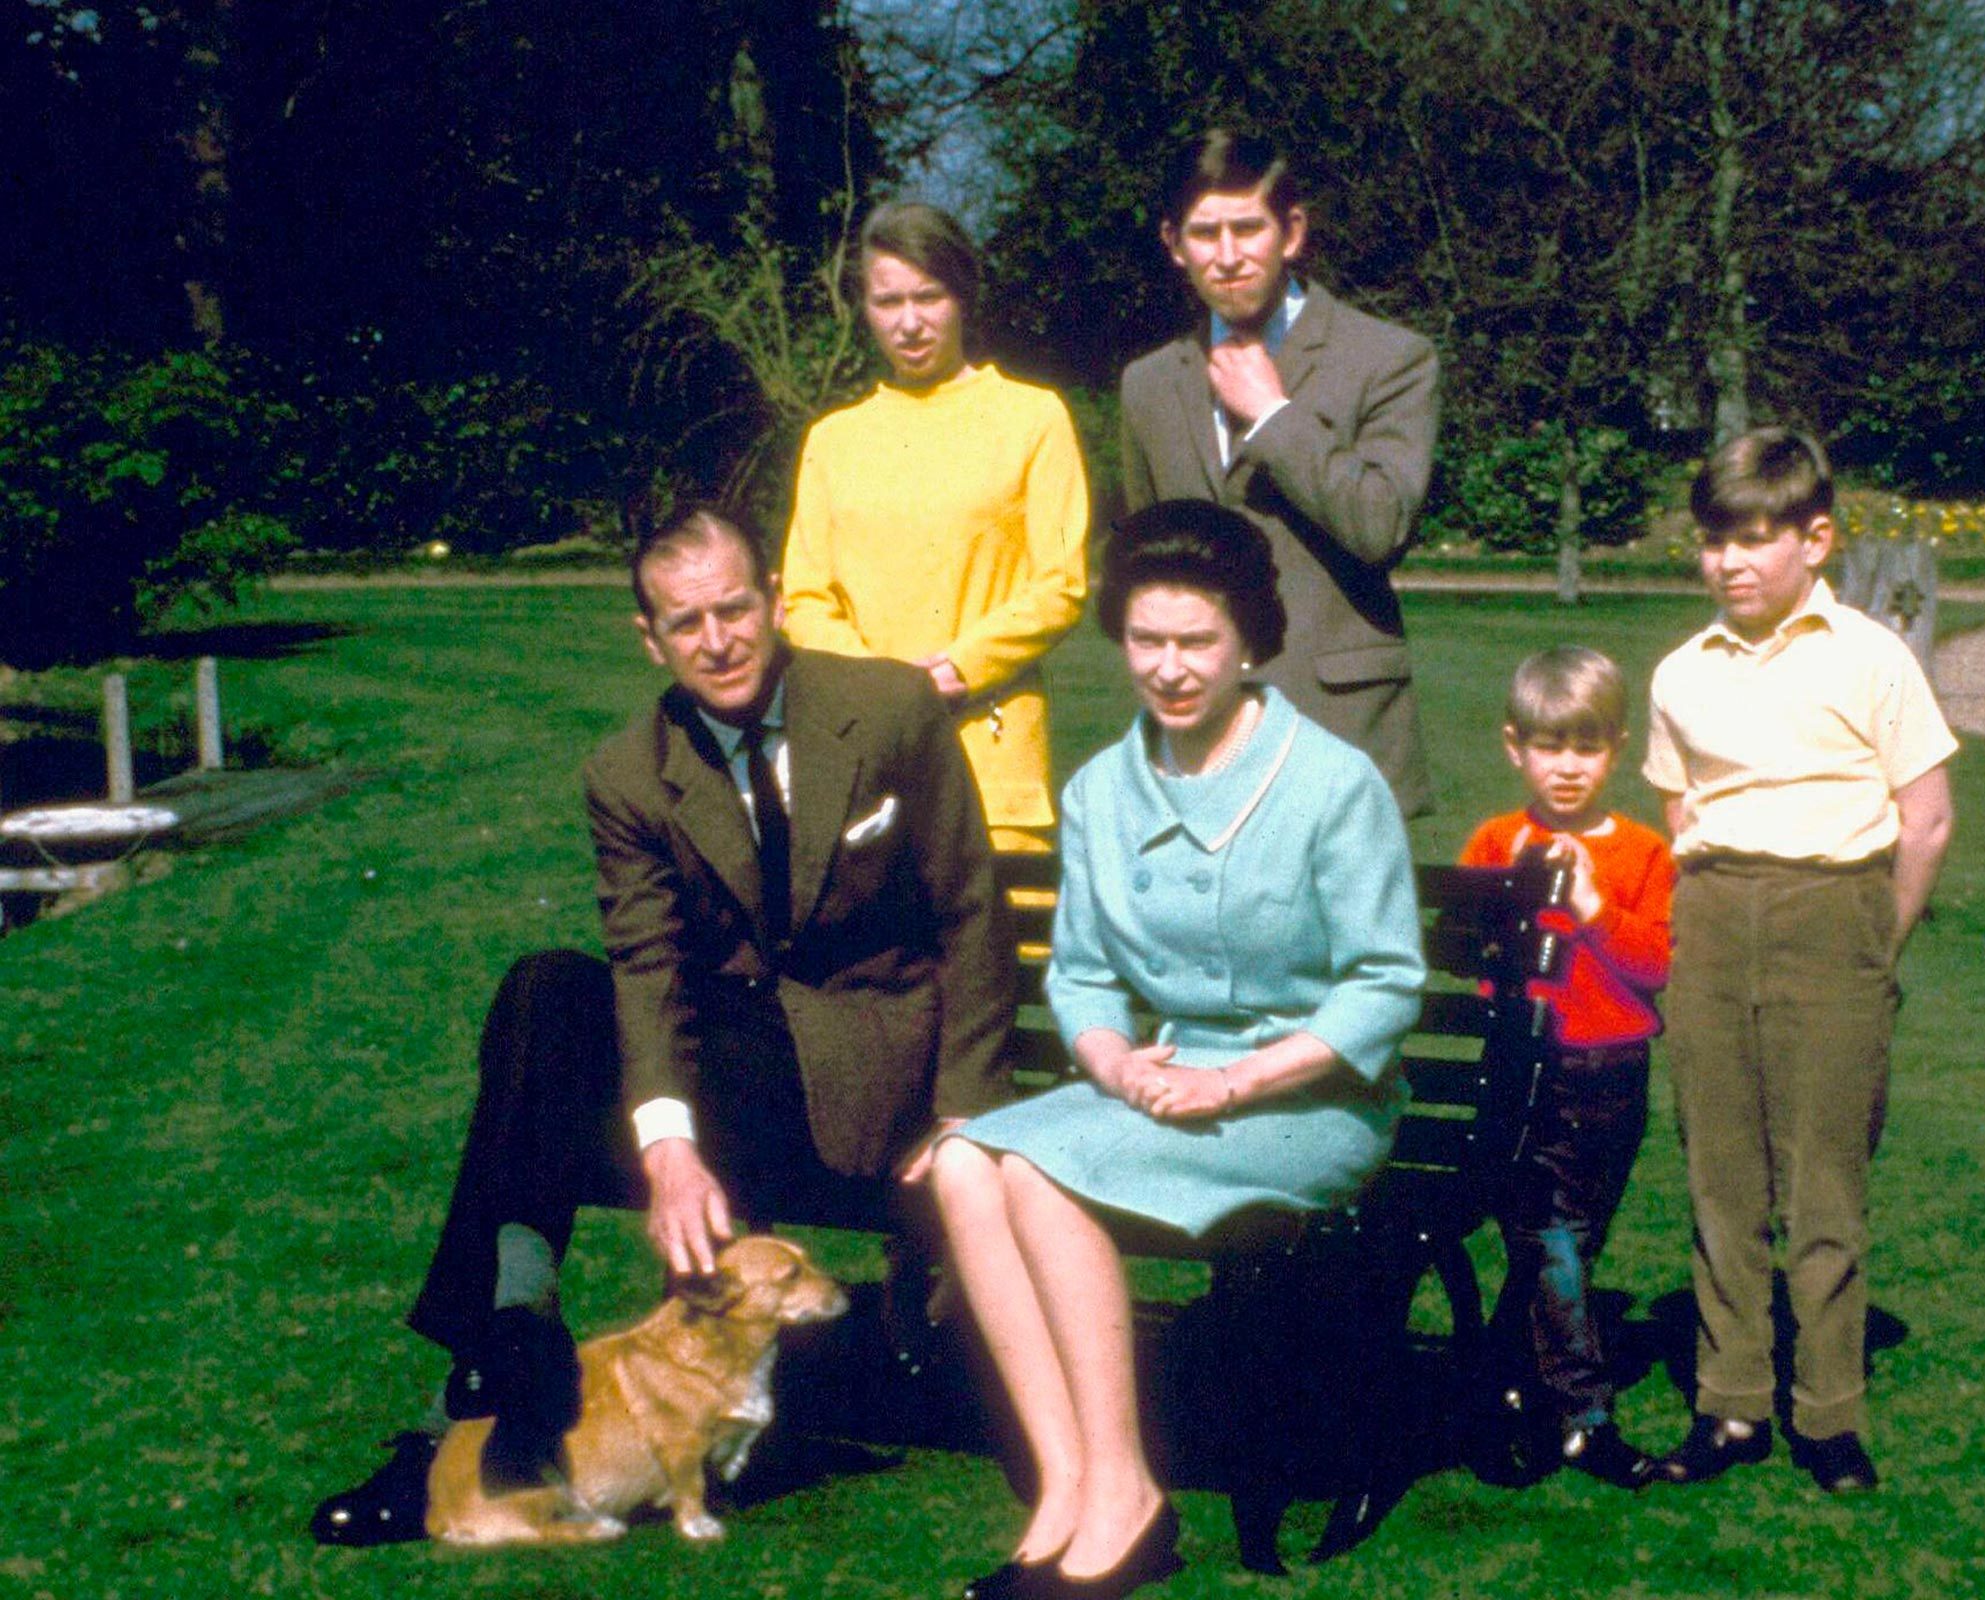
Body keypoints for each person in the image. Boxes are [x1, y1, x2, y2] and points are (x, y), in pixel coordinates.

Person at [310, 506, 1015, 1546]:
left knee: (546, 1083)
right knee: (547, 989)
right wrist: (669, 1146)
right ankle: (511, 1332)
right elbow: (645, 967)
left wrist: (969, 1113)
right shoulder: (629, 770)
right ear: (651, 639)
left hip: (871, 1073)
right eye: (687, 624)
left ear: (774, 599)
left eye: (735, 609)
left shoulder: (891, 708)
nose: (718, 639)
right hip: (734, 1072)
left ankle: (460, 1415)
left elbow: (973, 911)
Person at [927, 499, 1424, 1600]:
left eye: (1197, 641)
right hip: (1159, 1087)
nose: (1171, 667)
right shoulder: (1104, 789)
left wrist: (1240, 1076)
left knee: (1044, 1178)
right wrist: (1116, 1064)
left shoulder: (1333, 784)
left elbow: (1384, 983)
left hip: (1311, 1101)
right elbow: (1084, 973)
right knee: (966, 1163)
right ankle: (1068, 1487)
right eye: (1146, 640)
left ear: (1251, 639)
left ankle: (1128, 1498)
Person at [1640, 428, 1957, 1495]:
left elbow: (1926, 820)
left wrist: (1874, 940)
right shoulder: (1681, 673)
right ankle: (1730, 1407)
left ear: (1816, 540)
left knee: (1824, 1183)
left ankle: (1828, 1414)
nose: (1729, 562)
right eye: (1712, 541)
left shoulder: (1872, 657)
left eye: (1754, 539)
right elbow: (1682, 810)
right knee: (1722, 1179)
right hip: (1716, 917)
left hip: (1838, 916)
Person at [1118, 128, 1438, 817]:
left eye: (1247, 229)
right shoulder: (1147, 385)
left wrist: (1272, 417)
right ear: (1174, 245)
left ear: (1290, 233)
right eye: (1206, 234)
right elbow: (1146, 567)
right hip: (1194, 743)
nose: (1228, 256)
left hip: (1339, 730)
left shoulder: (1389, 357)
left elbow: (1382, 524)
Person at [784, 200, 1090, 853]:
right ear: (863, 307)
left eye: (930, 296)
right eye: (888, 301)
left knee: (1009, 952)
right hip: (866, 754)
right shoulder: (833, 440)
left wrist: (957, 669)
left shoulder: (1033, 418)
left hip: (993, 750)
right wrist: (885, 690)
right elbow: (806, 599)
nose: (910, 322)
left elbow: (1060, 585)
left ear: (963, 297)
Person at [1457, 646, 1674, 1487]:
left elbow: (1656, 965)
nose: (1568, 767)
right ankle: (1585, 1415)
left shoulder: (1646, 852)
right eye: (1550, 746)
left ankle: (1505, 1379)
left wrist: (1592, 911)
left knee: (1573, 1246)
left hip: (1613, 1073)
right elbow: (1472, 963)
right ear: (1516, 747)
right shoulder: (1496, 840)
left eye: (1587, 747)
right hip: (1527, 1073)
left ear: (1616, 749)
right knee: (1553, 1244)